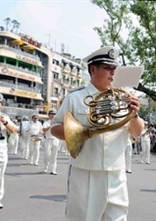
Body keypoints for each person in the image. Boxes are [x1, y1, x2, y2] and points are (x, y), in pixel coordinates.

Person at [50, 46, 144, 221]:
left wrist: (135, 115)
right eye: (108, 69)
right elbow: (55, 127)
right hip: (85, 173)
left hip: (115, 172)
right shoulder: (75, 98)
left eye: (114, 69)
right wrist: (85, 127)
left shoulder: (123, 97)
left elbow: (137, 133)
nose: (113, 74)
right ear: (93, 69)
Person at [42, 109, 59, 175]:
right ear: (49, 115)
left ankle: (53, 170)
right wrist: (50, 126)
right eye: (52, 114)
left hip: (55, 140)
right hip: (48, 140)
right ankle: (46, 166)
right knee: (47, 155)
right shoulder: (46, 122)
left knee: (54, 156)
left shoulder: (58, 122)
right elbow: (43, 130)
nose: (53, 115)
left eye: (54, 114)